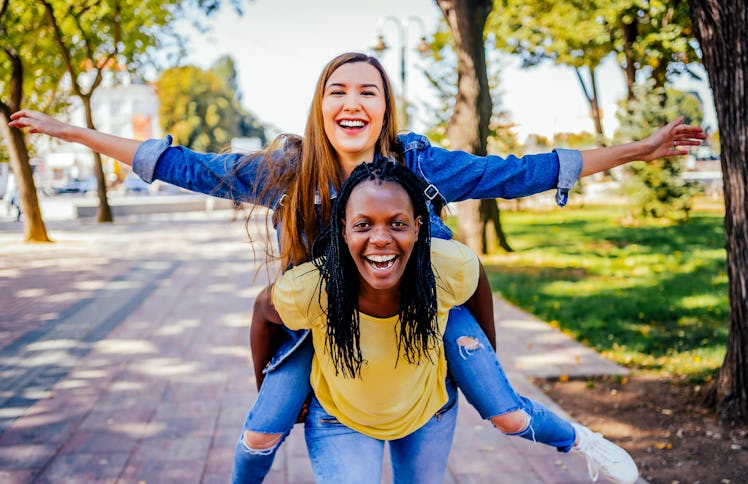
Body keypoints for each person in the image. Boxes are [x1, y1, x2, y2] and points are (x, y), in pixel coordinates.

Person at [9, 51, 704, 484]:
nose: (352, 102)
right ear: (321, 103)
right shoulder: (289, 168)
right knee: (265, 426)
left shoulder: (421, 164)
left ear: (384, 107)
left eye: (368, 91)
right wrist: (71, 132)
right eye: (338, 89)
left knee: (507, 416)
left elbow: (519, 171)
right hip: (332, 331)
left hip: (424, 326)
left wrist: (638, 150)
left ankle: (576, 443)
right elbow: (184, 165)